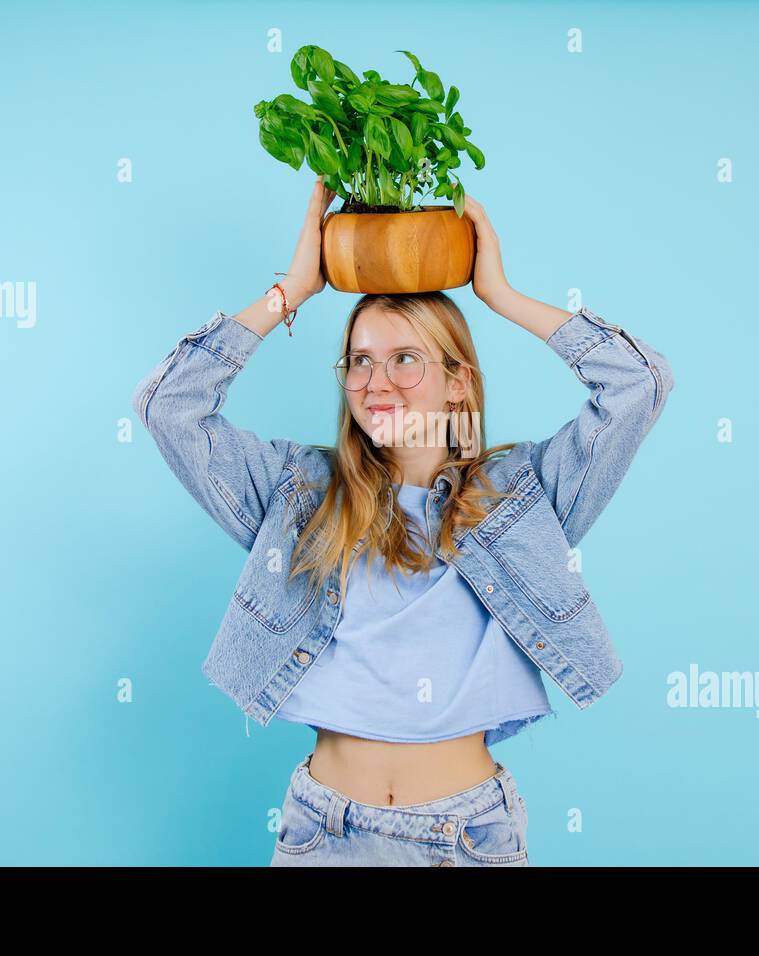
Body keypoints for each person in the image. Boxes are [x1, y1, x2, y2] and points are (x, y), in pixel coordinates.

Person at [132, 178, 676, 865]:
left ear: (459, 381)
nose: (375, 382)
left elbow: (639, 385)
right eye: (359, 361)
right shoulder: (300, 493)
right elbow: (168, 408)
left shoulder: (523, 498)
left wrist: (502, 297)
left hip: (466, 836)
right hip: (321, 833)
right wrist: (289, 294)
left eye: (404, 359)